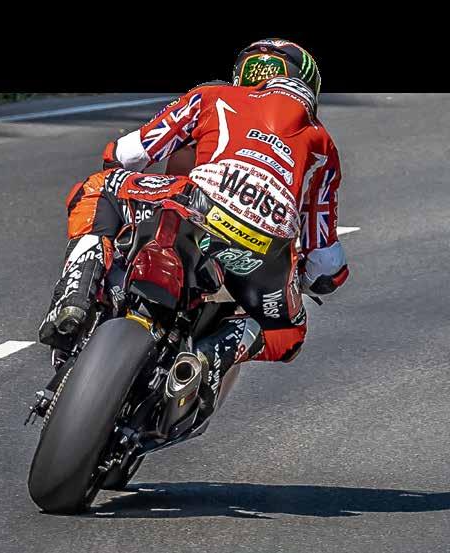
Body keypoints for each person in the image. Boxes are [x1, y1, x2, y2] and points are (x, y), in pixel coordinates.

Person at [38, 38, 350, 415]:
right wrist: (317, 279)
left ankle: (76, 295)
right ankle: (214, 353)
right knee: (289, 334)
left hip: (197, 205)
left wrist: (129, 178)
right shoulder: (322, 145)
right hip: (266, 248)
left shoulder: (212, 96)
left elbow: (126, 153)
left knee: (94, 188)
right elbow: (326, 258)